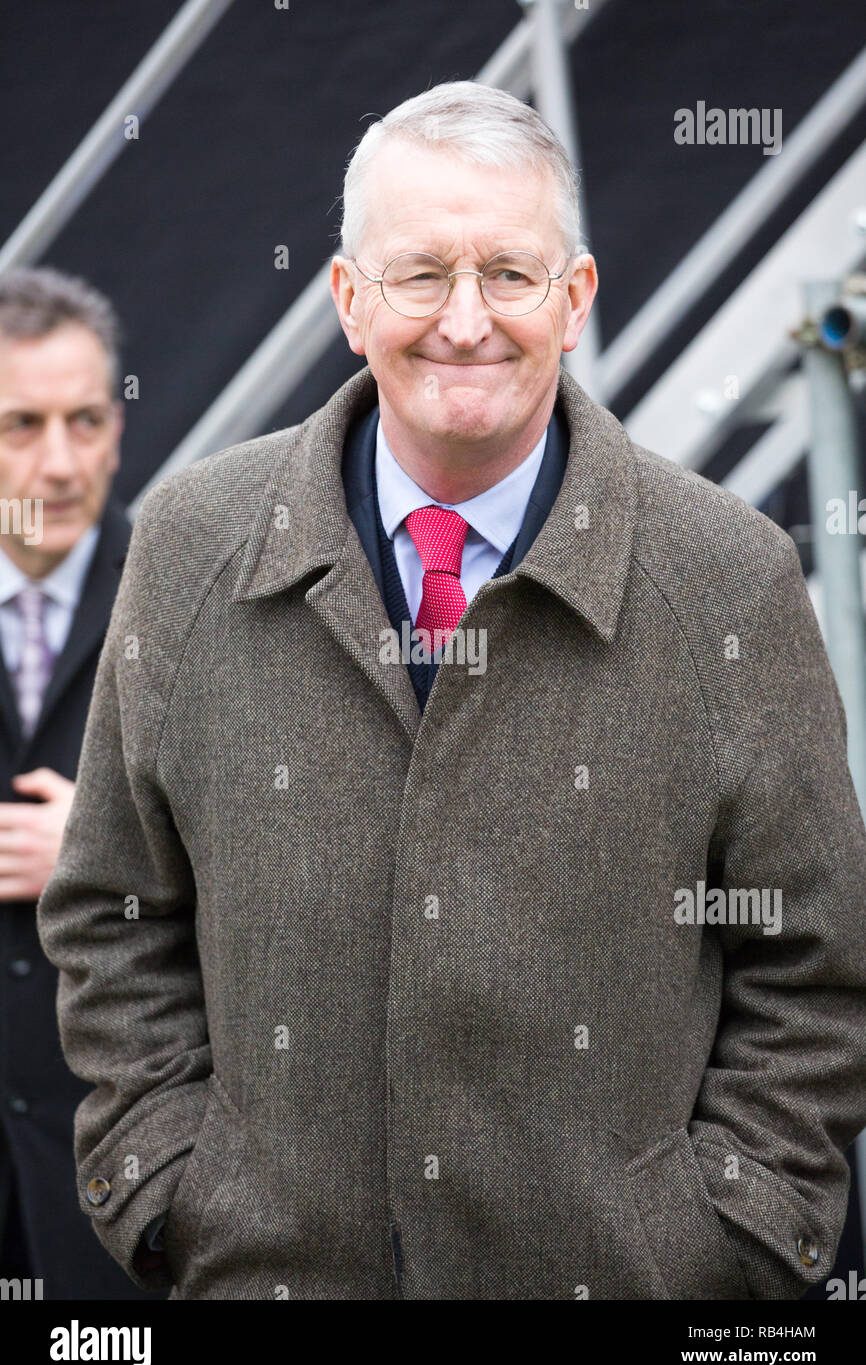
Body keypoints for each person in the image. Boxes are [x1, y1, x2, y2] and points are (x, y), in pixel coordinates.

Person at [37, 82, 866, 1301]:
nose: (465, 322)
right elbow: (114, 913)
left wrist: (710, 1246)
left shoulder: (725, 576)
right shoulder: (191, 544)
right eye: (420, 275)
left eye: (509, 275)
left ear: (574, 299)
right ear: (347, 300)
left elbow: (811, 964)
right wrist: (173, 1194)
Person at [0, 266, 161, 1298]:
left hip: (121, 1190)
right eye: (20, 424)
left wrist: (99, 855)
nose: (59, 463)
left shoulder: (198, 602)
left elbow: (302, 867)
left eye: (85, 420)